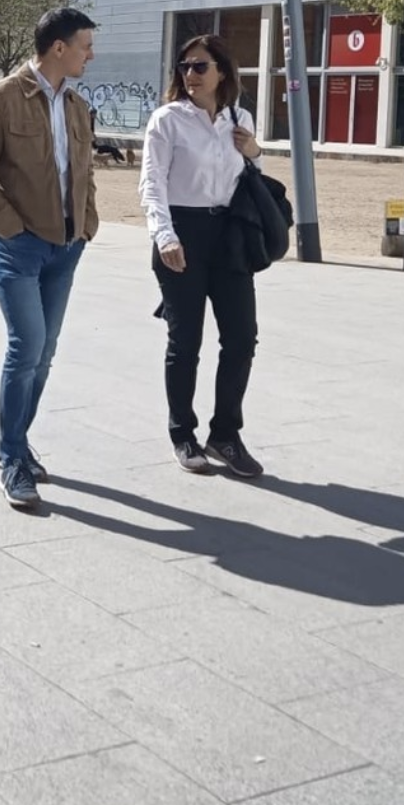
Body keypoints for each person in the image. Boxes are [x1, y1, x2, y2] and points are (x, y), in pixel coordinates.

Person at [0, 7, 98, 509]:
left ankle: (11, 441)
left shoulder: (77, 106)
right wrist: (10, 227)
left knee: (45, 352)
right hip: (18, 246)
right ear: (59, 47)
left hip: (66, 247)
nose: (90, 55)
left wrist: (87, 223)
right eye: (85, 45)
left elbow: (83, 172)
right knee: (27, 346)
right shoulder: (1, 98)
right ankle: (14, 457)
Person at [139, 33, 264, 479]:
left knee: (242, 338)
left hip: (229, 236)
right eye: (185, 66)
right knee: (185, 342)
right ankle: (183, 433)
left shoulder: (239, 118)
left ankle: (225, 435)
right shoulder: (167, 120)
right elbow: (152, 183)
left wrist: (254, 152)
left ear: (222, 71)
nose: (190, 74)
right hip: (182, 233)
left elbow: (250, 178)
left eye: (200, 66)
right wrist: (165, 237)